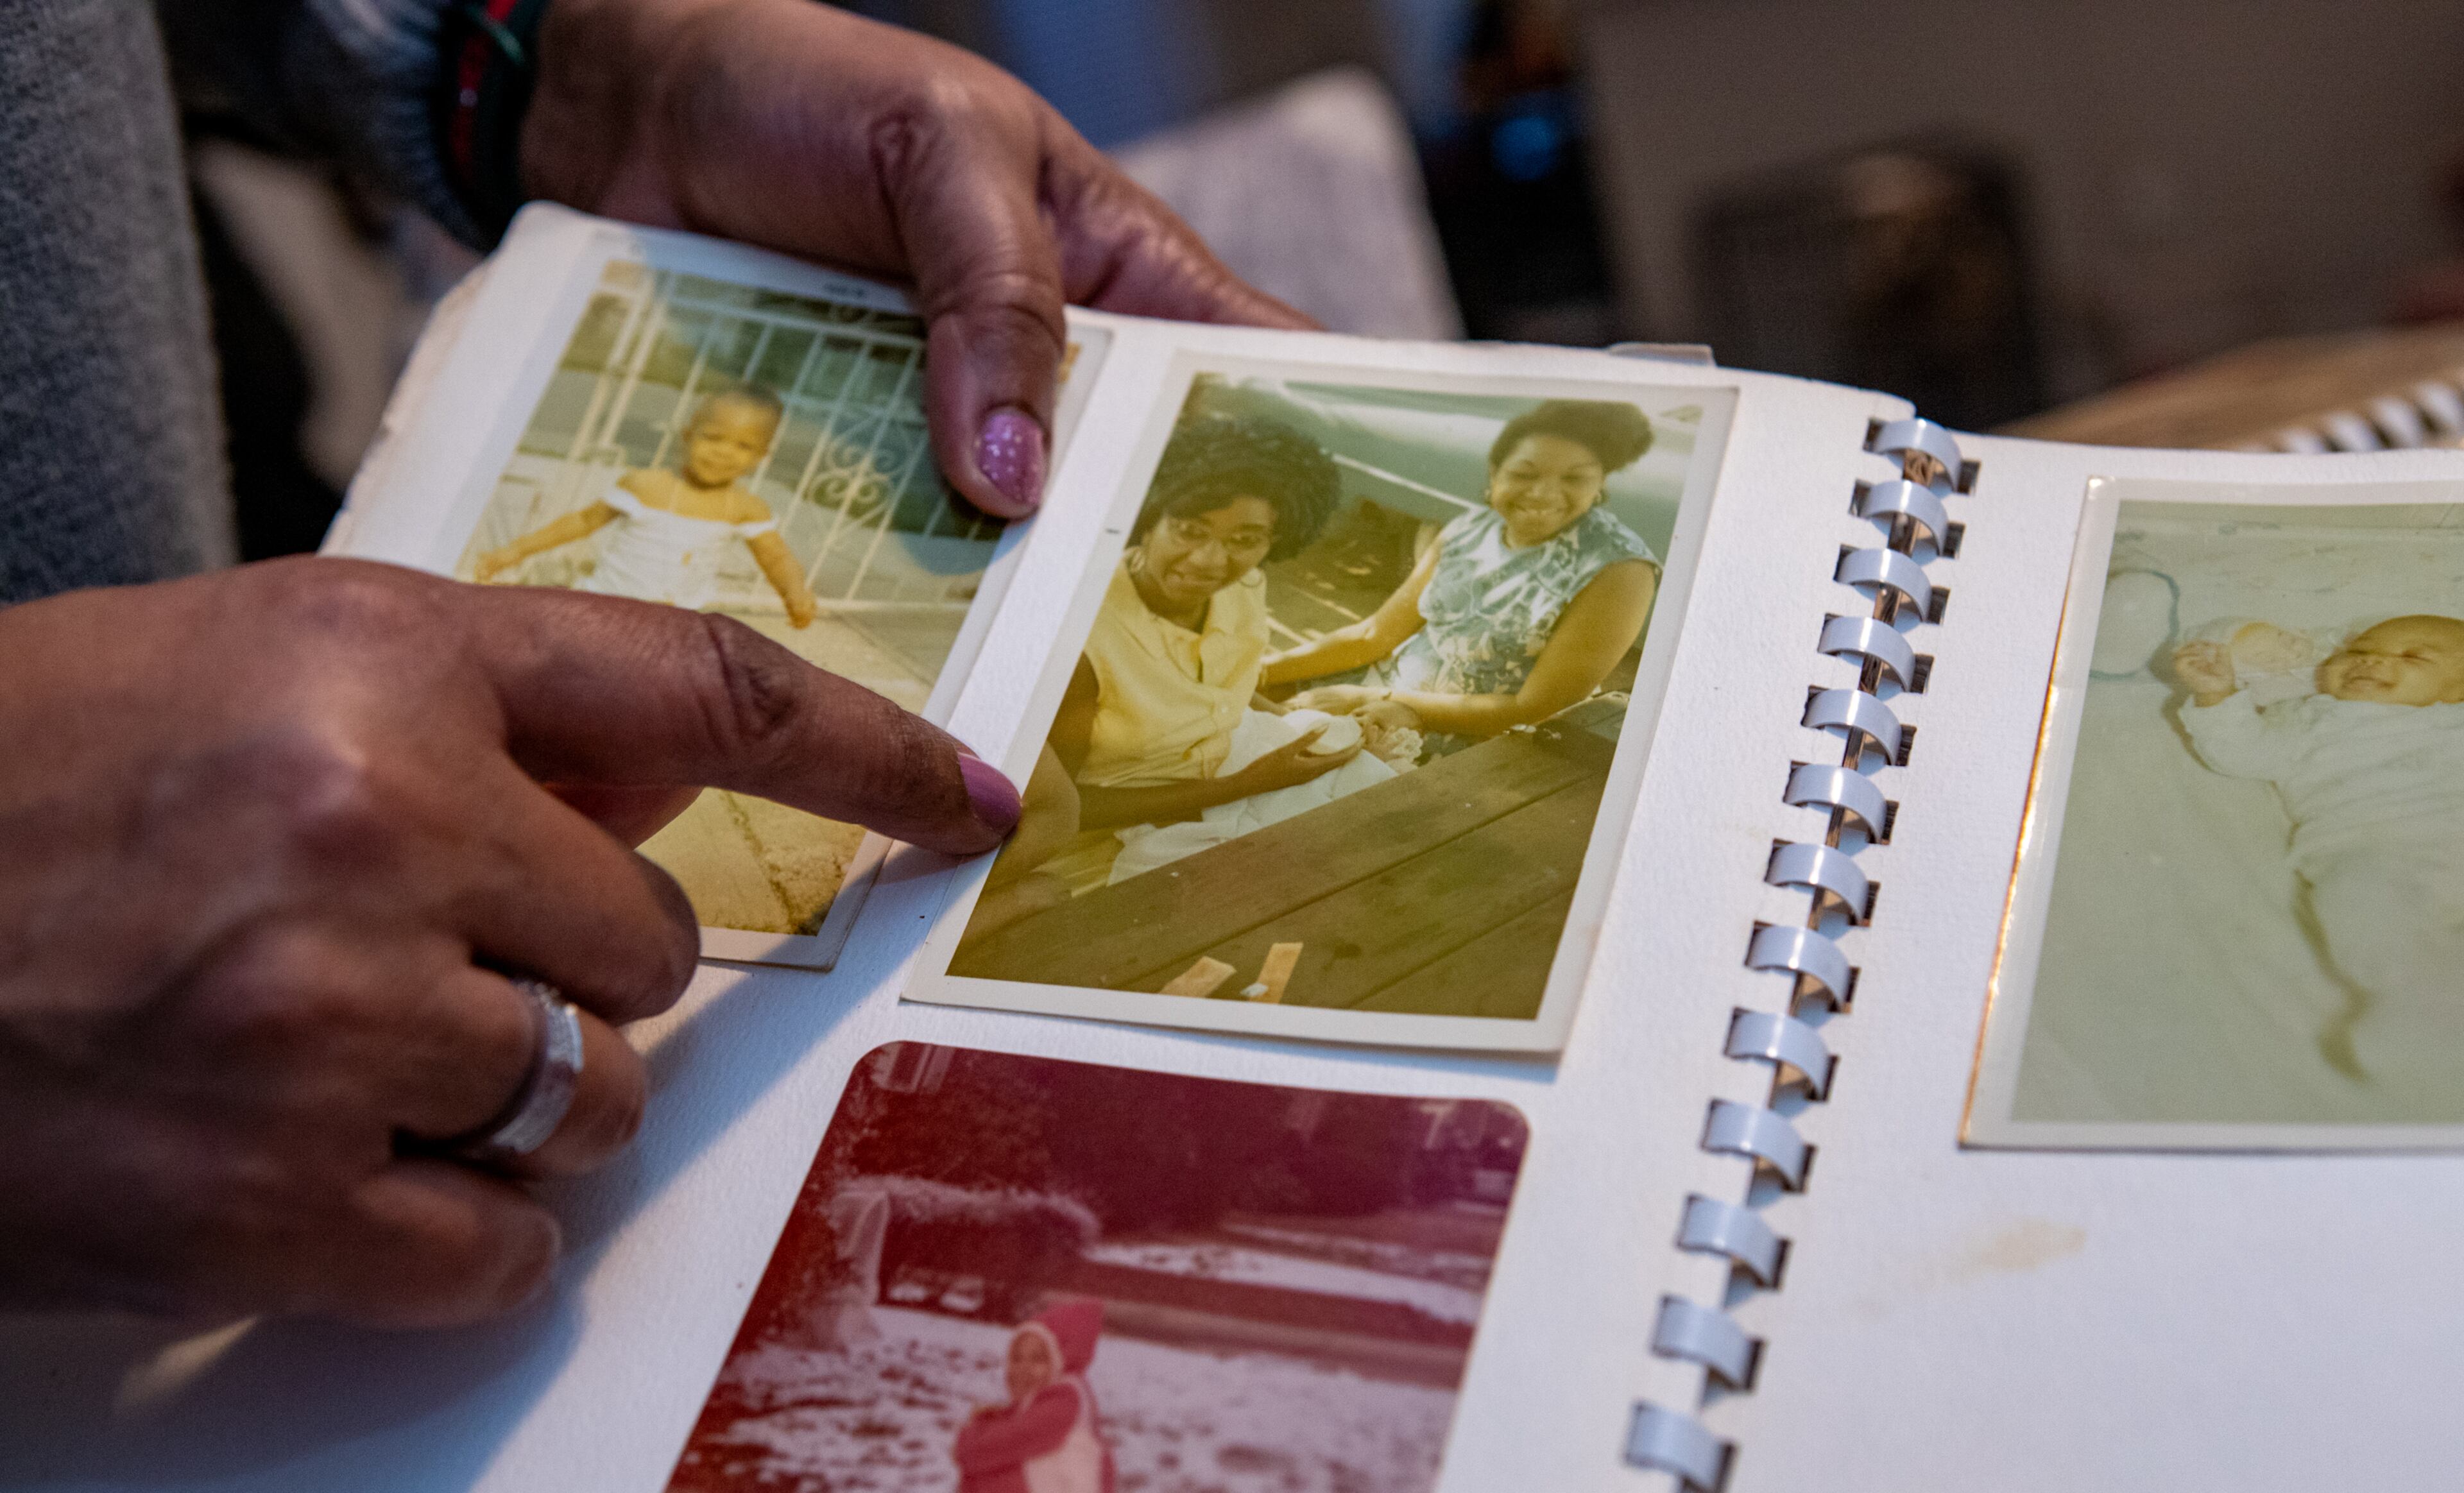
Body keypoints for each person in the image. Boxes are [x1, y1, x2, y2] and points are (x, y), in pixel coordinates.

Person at [0, 0, 1306, 1327]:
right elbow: (574, 525)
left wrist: (540, 68)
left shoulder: (745, 517)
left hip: (245, 691)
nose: (731, 466)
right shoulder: (640, 485)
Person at [1260, 399, 1661, 747]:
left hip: (1476, 739)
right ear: (1494, 473)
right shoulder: (1472, 527)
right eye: (1525, 474)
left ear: (1600, 484)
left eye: (1574, 478)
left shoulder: (1619, 570)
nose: (1543, 494)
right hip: (1377, 692)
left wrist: (1371, 701)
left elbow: (1532, 709)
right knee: (1231, 706)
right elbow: (1374, 636)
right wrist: (1258, 671)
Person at [2172, 615, 2464, 1090]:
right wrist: (2216, 695)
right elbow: (2241, 751)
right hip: (2372, 853)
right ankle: (2412, 993)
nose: (2371, 660)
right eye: (2356, 651)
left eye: (2414, 657)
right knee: (2359, 898)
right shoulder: (2309, 718)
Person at [474, 382, 819, 624]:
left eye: (743, 447)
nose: (724, 452)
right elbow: (582, 522)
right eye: (713, 438)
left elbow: (775, 556)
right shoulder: (646, 486)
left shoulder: (746, 508)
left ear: (761, 457)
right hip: (606, 603)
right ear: (688, 435)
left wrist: (794, 591)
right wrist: (514, 551)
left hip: (677, 620)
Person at [952, 1299, 1116, 1493]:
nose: (1023, 1369)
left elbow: (983, 1450)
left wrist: (971, 1436)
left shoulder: (1066, 1399)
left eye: (1038, 1359)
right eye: (1017, 1358)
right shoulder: (1046, 1404)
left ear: (1059, 1362)